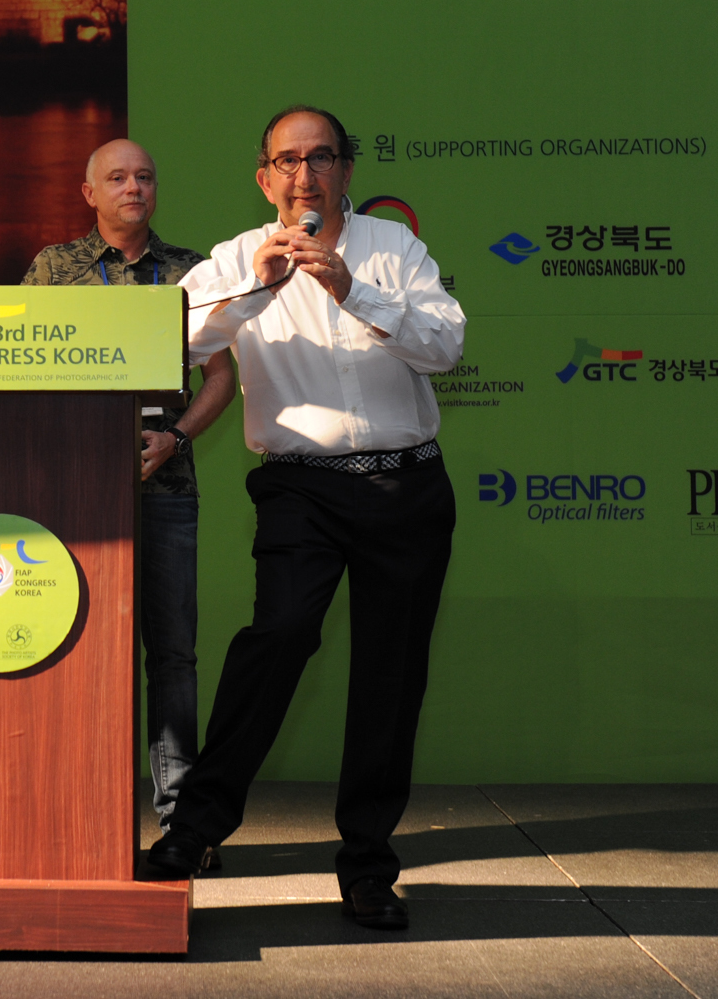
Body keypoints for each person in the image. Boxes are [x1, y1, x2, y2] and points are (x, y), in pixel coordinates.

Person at [145, 106, 465, 931]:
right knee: (278, 637)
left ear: (346, 170)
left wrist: (351, 288)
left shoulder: (394, 249)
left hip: (406, 486)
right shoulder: (234, 258)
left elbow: (446, 346)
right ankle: (194, 830)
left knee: (392, 671)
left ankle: (368, 864)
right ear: (265, 179)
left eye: (321, 157)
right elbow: (170, 343)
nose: (305, 175)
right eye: (288, 161)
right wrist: (258, 287)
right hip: (300, 487)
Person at [20, 139, 238, 857]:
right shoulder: (54, 269)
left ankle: (183, 826)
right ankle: (81, 818)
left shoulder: (191, 273)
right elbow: (16, 372)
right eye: (117, 178)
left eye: (144, 176)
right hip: (75, 498)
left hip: (166, 489)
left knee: (172, 656)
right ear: (90, 193)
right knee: (79, 652)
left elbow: (221, 377)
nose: (133, 187)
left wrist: (174, 437)